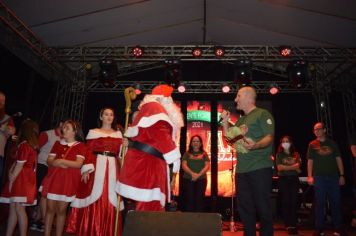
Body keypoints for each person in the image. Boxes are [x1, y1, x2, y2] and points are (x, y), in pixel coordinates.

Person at [117, 84, 184, 211]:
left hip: (144, 163)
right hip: (149, 166)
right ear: (164, 99)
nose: (171, 102)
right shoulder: (157, 110)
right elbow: (162, 135)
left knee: (146, 206)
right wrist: (175, 158)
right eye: (169, 98)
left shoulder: (149, 110)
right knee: (149, 208)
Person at [221, 86, 274, 236]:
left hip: (260, 168)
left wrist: (256, 145)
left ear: (248, 97)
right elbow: (230, 140)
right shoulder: (241, 120)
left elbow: (269, 137)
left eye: (238, 96)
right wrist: (225, 123)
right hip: (242, 170)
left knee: (263, 208)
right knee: (245, 208)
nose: (235, 99)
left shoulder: (262, 114)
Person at [66, 107, 125, 236]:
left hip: (113, 167)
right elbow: (88, 151)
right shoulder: (94, 132)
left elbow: (121, 155)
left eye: (111, 114)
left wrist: (125, 145)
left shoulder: (118, 134)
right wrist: (86, 169)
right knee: (93, 195)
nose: (109, 117)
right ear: (101, 117)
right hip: (97, 166)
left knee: (111, 197)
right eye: (106, 114)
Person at [40, 120, 85, 236]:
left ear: (74, 132)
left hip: (68, 182)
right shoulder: (57, 144)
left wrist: (62, 161)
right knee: (50, 210)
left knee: (61, 211)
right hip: (54, 180)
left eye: (67, 128)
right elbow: (49, 160)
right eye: (63, 127)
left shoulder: (80, 146)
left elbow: (78, 164)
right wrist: (58, 162)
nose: (63, 129)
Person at [307, 122, 347, 236]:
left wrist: (342, 175)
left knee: (336, 202)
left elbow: (338, 159)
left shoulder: (332, 143)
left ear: (324, 130)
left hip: (334, 177)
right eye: (314, 129)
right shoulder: (312, 144)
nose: (316, 131)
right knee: (320, 203)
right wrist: (310, 176)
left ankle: (338, 228)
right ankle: (319, 228)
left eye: (319, 129)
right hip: (319, 178)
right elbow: (310, 161)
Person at [0, 119, 39, 236]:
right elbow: (18, 163)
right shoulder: (30, 145)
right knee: (14, 208)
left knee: (19, 209)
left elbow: (20, 164)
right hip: (25, 178)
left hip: (22, 179)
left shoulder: (25, 145)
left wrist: (11, 178)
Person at [30, 120, 64, 232]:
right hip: (42, 165)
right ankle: (43, 220)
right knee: (43, 194)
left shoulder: (64, 139)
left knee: (45, 195)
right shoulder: (47, 134)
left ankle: (39, 220)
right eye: (66, 125)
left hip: (53, 170)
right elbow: (35, 149)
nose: (67, 128)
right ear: (60, 124)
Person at [275, 135, 301, 235]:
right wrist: (293, 166)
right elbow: (280, 168)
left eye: (287, 141)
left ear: (290, 142)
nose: (285, 143)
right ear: (281, 144)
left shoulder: (296, 154)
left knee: (294, 201)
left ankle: (294, 224)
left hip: (294, 179)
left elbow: (298, 167)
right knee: (286, 201)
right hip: (283, 180)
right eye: (283, 141)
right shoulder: (279, 155)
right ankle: (288, 225)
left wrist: (289, 167)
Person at [181, 135, 210, 212]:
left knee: (199, 200)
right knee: (189, 200)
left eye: (197, 141)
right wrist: (192, 174)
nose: (195, 143)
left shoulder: (204, 154)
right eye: (194, 141)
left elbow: (207, 166)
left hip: (201, 180)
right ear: (191, 143)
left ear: (200, 143)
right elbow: (184, 165)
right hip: (188, 179)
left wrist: (198, 175)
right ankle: (189, 221)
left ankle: (199, 220)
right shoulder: (186, 154)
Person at [0, 91, 16, 189]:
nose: (1, 102)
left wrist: (6, 129)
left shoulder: (7, 118)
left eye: (3, 101)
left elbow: (12, 131)